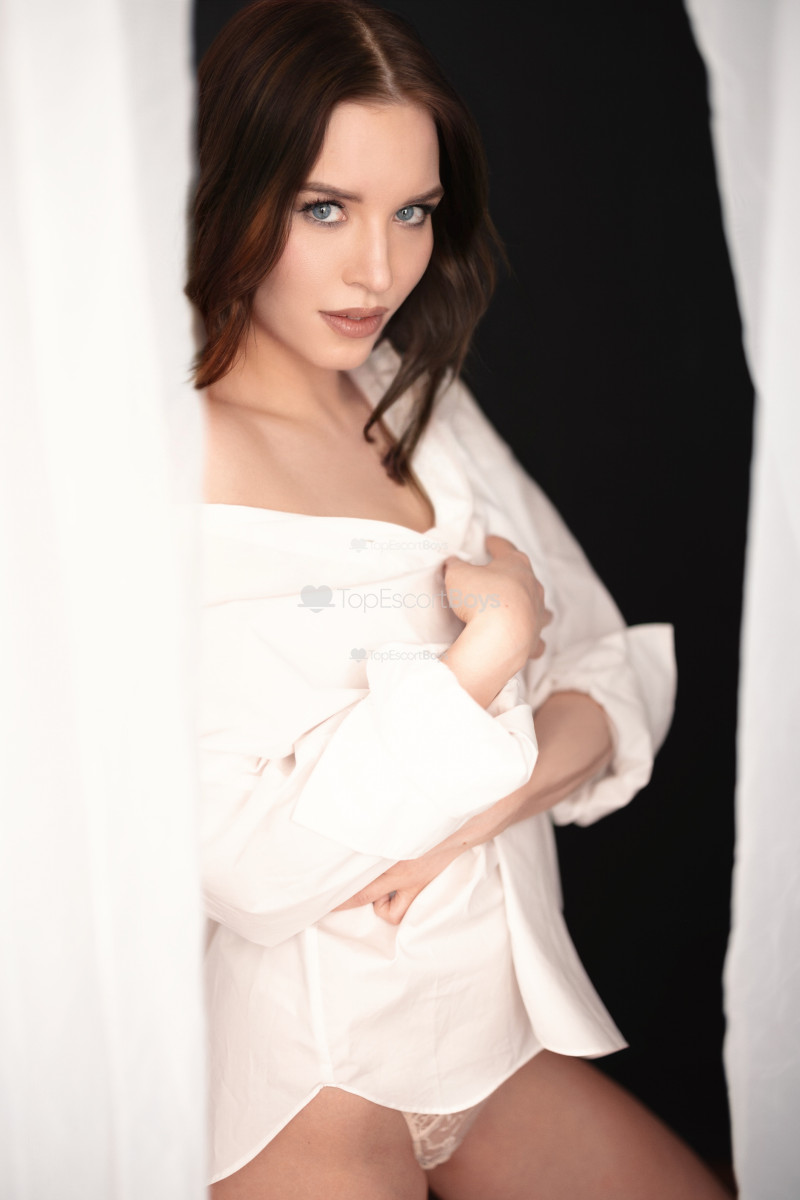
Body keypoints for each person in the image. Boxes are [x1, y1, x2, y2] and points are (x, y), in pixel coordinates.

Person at [185, 2, 732, 1197]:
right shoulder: (169, 460)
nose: (377, 270)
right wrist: (490, 653)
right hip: (309, 1069)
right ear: (228, 187)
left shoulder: (405, 393)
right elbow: (251, 867)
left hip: (493, 1031)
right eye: (323, 208)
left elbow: (610, 672)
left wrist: (469, 814)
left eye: (411, 211)